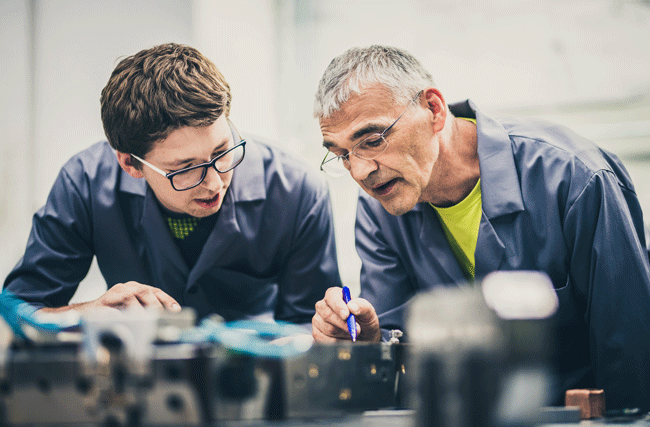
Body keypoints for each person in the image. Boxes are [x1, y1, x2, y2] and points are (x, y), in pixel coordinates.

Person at [310, 45, 650, 410]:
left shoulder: (574, 178)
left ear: (434, 110)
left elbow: (630, 356)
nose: (360, 172)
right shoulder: (380, 210)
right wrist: (371, 343)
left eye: (373, 140)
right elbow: (407, 367)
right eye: (343, 154)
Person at [3, 43, 342, 325]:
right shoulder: (84, 183)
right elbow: (16, 314)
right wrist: (88, 314)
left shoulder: (298, 190)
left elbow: (313, 334)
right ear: (130, 164)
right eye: (185, 168)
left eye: (222, 151)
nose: (213, 183)